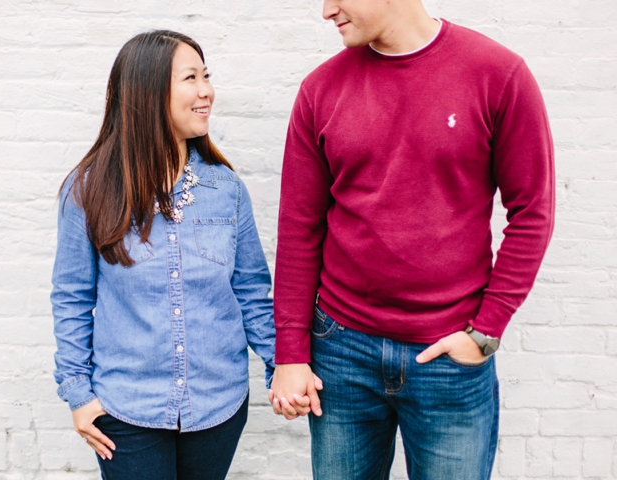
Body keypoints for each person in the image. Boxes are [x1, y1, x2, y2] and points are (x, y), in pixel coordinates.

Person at [269, 0, 555, 478]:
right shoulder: (321, 90)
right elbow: (299, 228)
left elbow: (532, 211)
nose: (325, 11)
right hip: (341, 351)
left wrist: (485, 332)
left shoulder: (496, 74)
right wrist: (291, 353)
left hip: (450, 357)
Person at [50, 30, 276, 480]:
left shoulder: (226, 189)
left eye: (206, 76)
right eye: (190, 78)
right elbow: (72, 298)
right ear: (148, 92)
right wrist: (79, 394)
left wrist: (281, 365)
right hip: (126, 409)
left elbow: (251, 290)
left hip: (218, 404)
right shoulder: (89, 190)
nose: (206, 90)